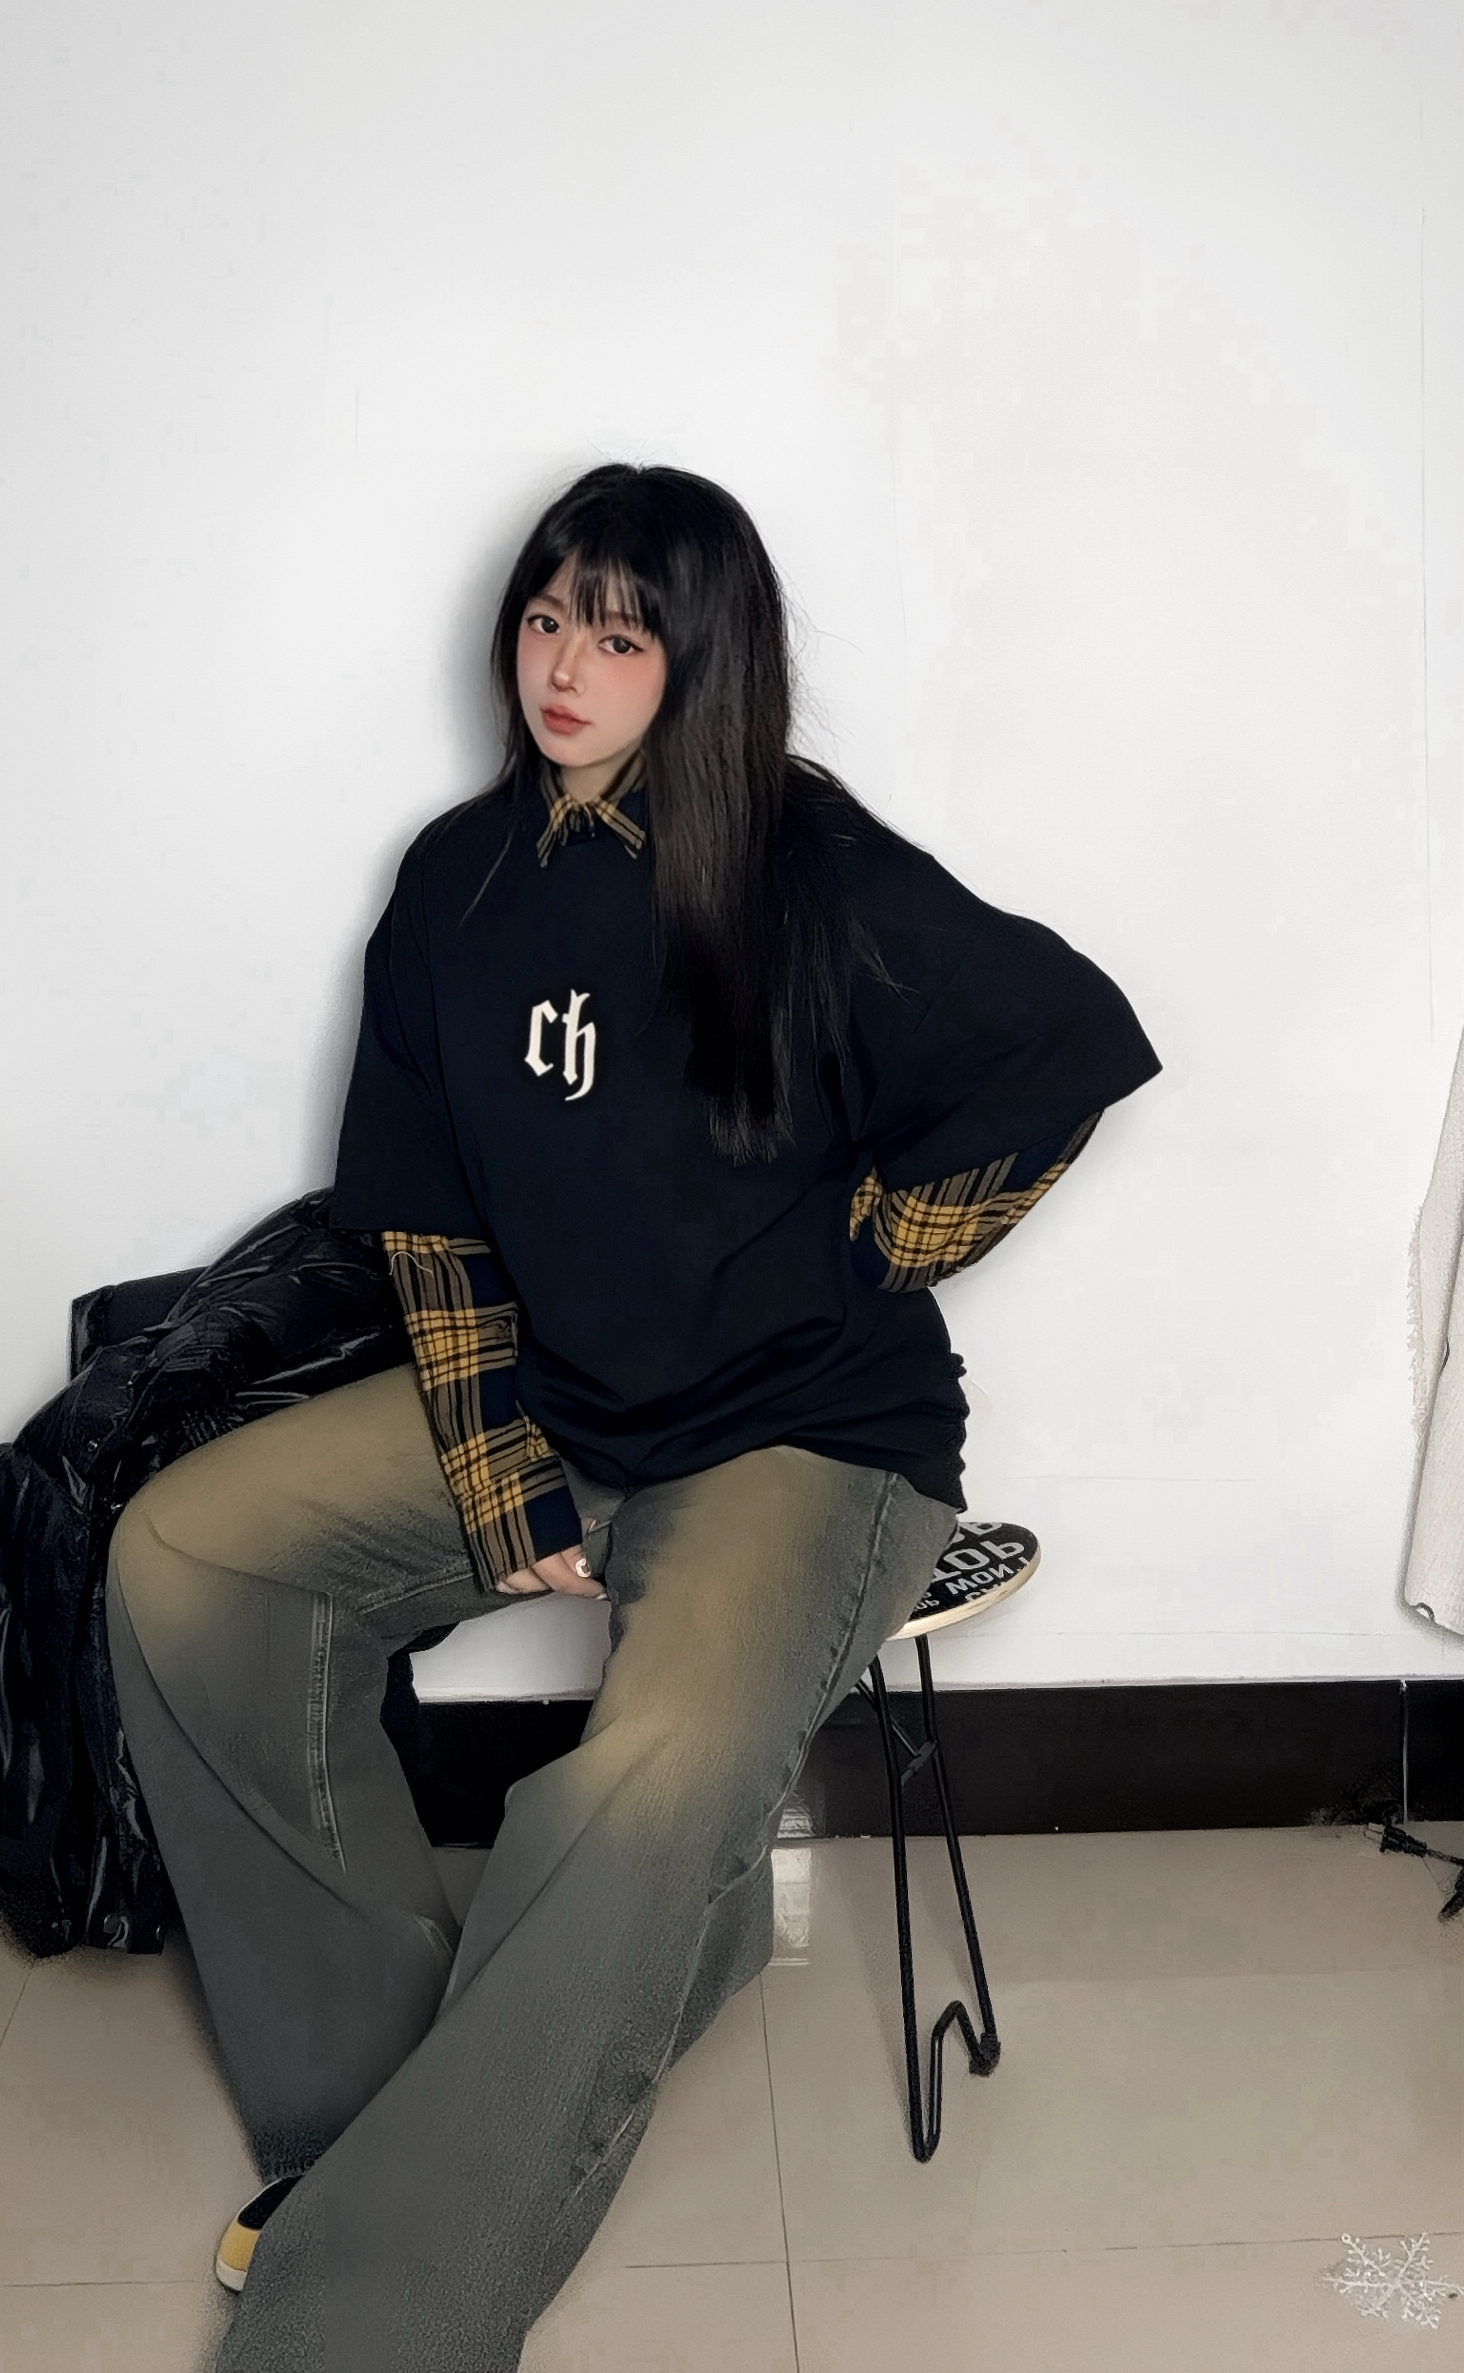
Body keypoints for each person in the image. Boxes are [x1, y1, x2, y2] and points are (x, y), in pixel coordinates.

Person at [103, 463, 1160, 2373]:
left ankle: (366, 2319)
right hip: (567, 1408)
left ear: (702, 660)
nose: (564, 667)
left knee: (643, 1782)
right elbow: (425, 1211)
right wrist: (495, 1454)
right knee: (183, 1559)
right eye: (544, 618)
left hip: (806, 1438)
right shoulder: (455, 883)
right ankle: (385, 2130)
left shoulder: (804, 863)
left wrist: (882, 1237)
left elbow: (1065, 1037)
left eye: (618, 633)